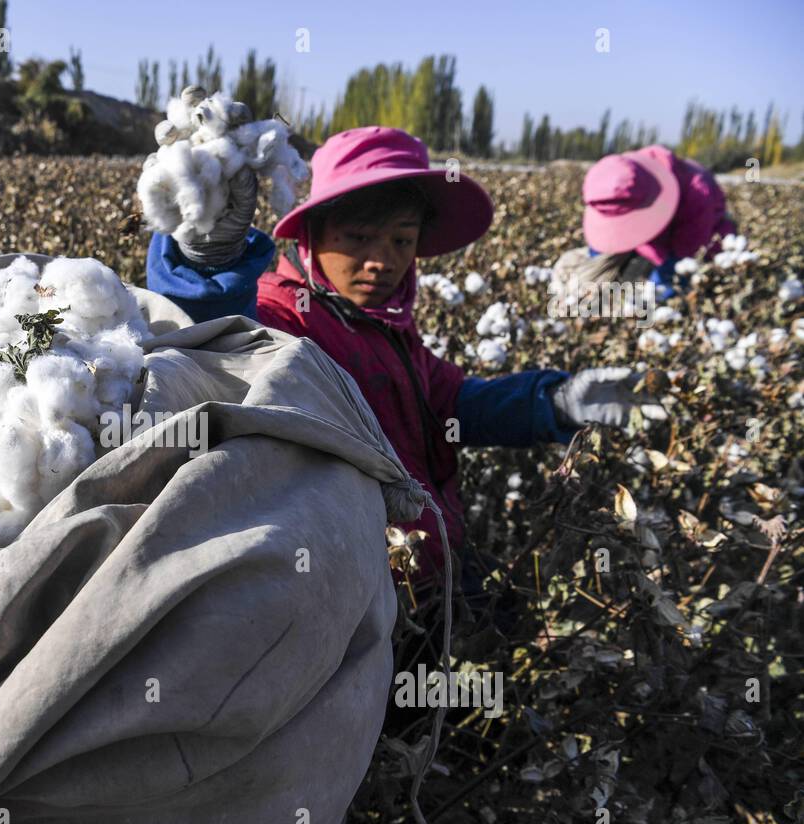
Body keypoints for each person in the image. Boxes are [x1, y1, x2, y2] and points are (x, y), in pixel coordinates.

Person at [145, 120, 666, 592]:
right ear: (310, 236)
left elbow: (448, 402)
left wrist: (552, 401)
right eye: (358, 238)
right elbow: (222, 346)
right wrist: (206, 264)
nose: (382, 261)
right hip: (369, 601)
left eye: (401, 239)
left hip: (431, 576)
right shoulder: (291, 318)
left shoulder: (384, 323)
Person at [556, 144, 736, 304]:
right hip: (656, 231)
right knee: (590, 276)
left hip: (704, 237)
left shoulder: (697, 195)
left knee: (668, 291)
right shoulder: (625, 173)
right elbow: (605, 245)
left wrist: (650, 301)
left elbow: (684, 256)